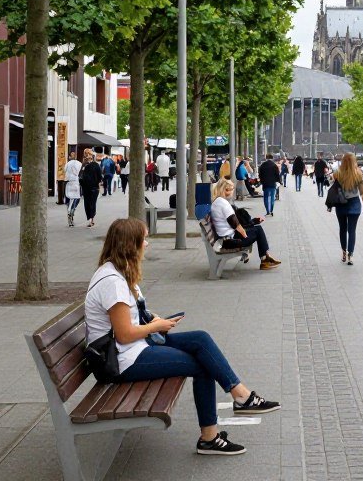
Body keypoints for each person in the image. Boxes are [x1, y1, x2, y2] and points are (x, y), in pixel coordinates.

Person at [86, 217, 280, 457]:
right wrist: (156, 326)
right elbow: (125, 335)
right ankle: (211, 436)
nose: (146, 244)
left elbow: (133, 317)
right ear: (129, 245)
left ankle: (241, 395)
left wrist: (154, 320)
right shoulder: (113, 282)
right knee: (203, 365)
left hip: (135, 347)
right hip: (123, 361)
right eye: (143, 240)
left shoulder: (117, 271)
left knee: (200, 339)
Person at [209, 178, 281, 270]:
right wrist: (246, 236)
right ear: (225, 190)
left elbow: (234, 223)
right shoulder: (224, 204)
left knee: (256, 228)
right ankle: (265, 259)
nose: (232, 192)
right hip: (231, 241)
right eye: (231, 190)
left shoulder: (217, 202)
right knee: (258, 230)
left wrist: (253, 222)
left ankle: (265, 258)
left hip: (226, 238)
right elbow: (236, 225)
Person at [330, 152, 363, 265]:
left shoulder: (338, 174)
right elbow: (362, 193)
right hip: (354, 204)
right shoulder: (358, 174)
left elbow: (333, 187)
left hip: (341, 204)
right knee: (352, 230)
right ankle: (350, 255)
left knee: (342, 229)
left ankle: (343, 252)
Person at [79, 149, 102, 228]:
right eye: (85, 153)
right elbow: (80, 176)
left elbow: (99, 176)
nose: (86, 155)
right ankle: (91, 218)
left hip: (91, 187)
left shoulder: (90, 165)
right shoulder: (86, 164)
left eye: (87, 153)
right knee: (89, 203)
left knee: (90, 203)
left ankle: (91, 218)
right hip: (90, 187)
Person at [64, 151, 82, 227]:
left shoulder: (67, 164)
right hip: (75, 183)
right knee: (76, 199)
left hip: (69, 183)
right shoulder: (79, 163)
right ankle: (72, 211)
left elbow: (64, 170)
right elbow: (80, 172)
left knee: (69, 198)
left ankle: (70, 211)